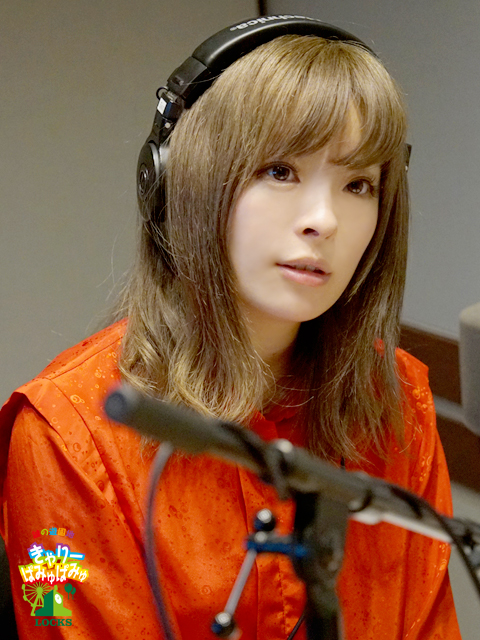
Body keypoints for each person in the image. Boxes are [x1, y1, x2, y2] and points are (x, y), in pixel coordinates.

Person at [0, 16, 461, 640]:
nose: (324, 219)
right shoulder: (64, 433)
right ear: (182, 179)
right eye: (280, 171)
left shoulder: (399, 401)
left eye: (358, 184)